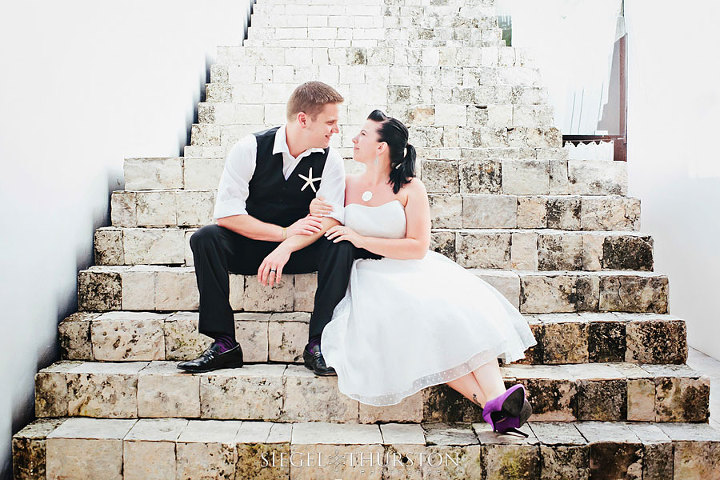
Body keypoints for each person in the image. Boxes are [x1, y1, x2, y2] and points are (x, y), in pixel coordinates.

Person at [310, 110, 538, 435]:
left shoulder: (411, 188)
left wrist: (360, 237)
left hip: (412, 268)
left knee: (460, 313)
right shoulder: (345, 184)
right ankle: (497, 404)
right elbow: (328, 222)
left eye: (363, 134)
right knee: (416, 322)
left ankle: (496, 403)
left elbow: (418, 246)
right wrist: (315, 209)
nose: (354, 139)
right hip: (370, 276)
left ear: (380, 147)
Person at [178, 81, 349, 374]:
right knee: (205, 238)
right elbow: (228, 215)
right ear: (303, 119)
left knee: (341, 242)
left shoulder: (330, 159)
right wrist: (281, 233)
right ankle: (224, 343)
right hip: (252, 245)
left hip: (299, 249)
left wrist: (286, 246)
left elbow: (331, 219)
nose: (336, 130)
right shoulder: (250, 148)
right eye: (330, 122)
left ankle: (318, 343)